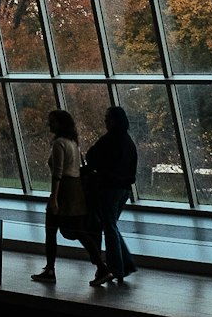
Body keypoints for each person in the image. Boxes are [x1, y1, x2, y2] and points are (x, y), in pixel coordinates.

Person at [32, 108, 110, 287]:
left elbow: (58, 173)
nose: (49, 124)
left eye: (52, 121)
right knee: (80, 231)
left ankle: (50, 270)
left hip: (64, 191)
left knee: (50, 230)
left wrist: (54, 197)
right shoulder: (73, 143)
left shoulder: (59, 143)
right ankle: (102, 266)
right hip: (76, 191)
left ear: (60, 123)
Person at [85, 106, 138, 286]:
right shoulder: (128, 142)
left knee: (109, 228)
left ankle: (115, 268)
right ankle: (124, 264)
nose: (105, 121)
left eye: (108, 118)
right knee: (111, 226)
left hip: (109, 188)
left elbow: (92, 158)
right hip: (123, 189)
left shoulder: (109, 140)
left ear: (114, 120)